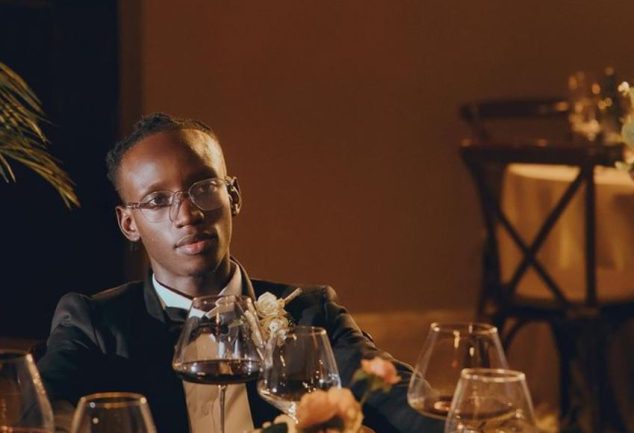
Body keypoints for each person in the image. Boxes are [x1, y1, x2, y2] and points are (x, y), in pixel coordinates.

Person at [37, 113, 443, 433]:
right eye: (158, 200)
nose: (187, 214)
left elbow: (398, 398)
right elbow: (47, 411)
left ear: (233, 196)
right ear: (129, 224)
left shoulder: (309, 311)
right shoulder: (95, 324)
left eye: (203, 187)